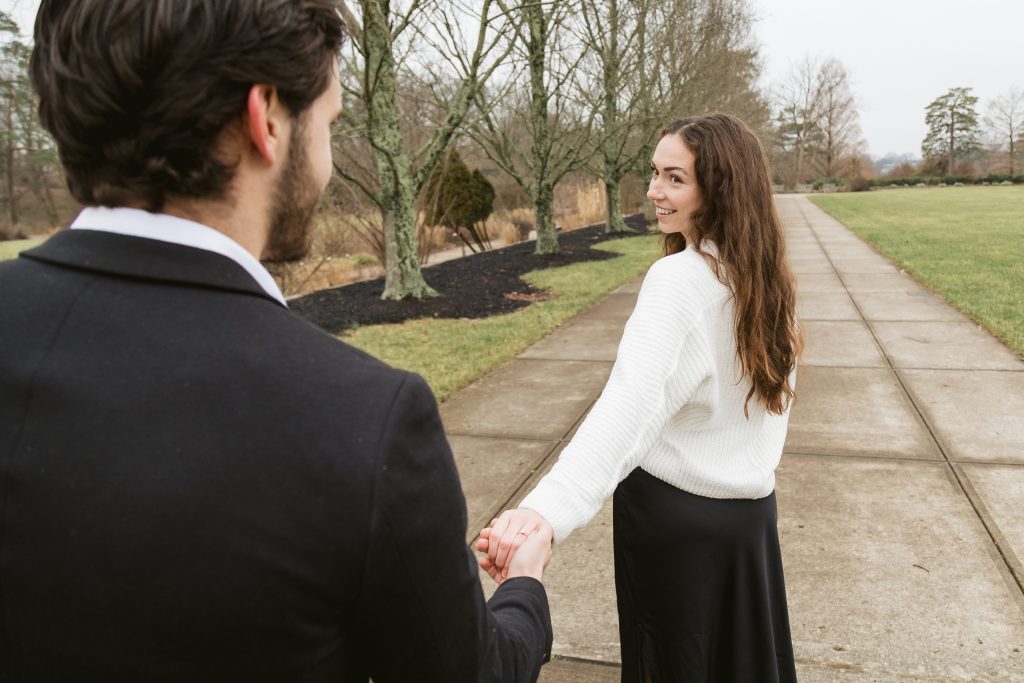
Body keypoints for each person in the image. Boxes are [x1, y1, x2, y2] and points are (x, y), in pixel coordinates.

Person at [0, 1, 553, 680]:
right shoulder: (363, 421)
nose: (323, 158)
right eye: (327, 122)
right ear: (265, 118)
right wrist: (524, 592)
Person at [478, 114, 802, 682]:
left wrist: (542, 515)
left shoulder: (680, 280)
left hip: (677, 528)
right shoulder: (764, 275)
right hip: (748, 526)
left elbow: (627, 411)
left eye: (674, 178)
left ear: (719, 189)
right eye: (654, 174)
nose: (653, 191)